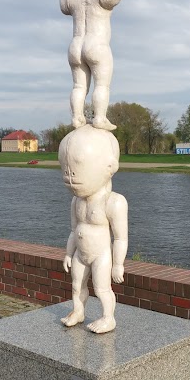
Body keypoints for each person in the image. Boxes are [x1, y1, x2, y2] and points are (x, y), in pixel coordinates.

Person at [60, 0, 148, 131]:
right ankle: (99, 117)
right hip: (97, 45)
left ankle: (77, 118)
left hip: (75, 46)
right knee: (102, 84)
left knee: (79, 86)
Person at [58, 124, 128, 333]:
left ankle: (108, 317)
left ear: (110, 166)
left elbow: (120, 238)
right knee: (76, 285)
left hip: (101, 255)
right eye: (66, 168)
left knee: (102, 288)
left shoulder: (113, 202)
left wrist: (118, 264)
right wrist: (68, 253)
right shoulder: (76, 201)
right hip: (80, 254)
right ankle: (78, 311)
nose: (70, 175)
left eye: (78, 167)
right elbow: (74, 230)